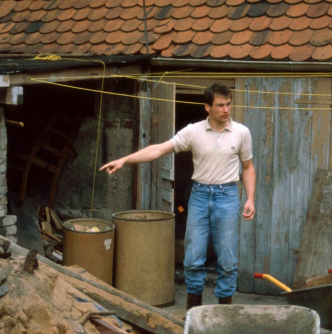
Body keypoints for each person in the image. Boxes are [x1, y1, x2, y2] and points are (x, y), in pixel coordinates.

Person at [100, 83, 256, 310]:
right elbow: (158, 149)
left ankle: (225, 312)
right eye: (220, 105)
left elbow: (248, 167)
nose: (226, 110)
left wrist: (250, 198)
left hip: (227, 196)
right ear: (207, 107)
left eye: (229, 104)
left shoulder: (242, 133)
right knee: (193, 259)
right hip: (200, 195)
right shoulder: (193, 132)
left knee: (228, 260)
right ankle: (193, 311)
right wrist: (125, 160)